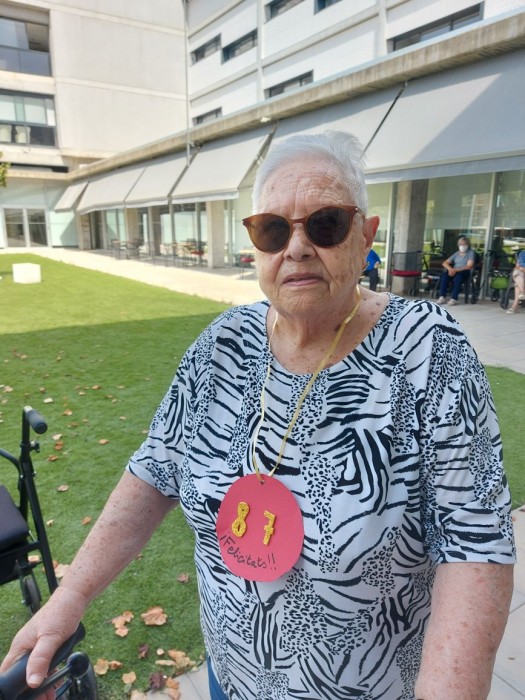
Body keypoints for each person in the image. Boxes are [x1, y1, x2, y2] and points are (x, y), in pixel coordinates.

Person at [0, 131, 515, 700]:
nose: (296, 248)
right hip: (232, 678)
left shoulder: (429, 350)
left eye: (325, 224)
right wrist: (69, 598)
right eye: (273, 229)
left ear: (366, 235)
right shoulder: (224, 343)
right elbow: (154, 468)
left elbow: (475, 546)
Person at [436, 236, 476, 306]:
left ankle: (453, 298)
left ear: (468, 245)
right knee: (444, 277)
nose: (462, 246)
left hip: (464, 271)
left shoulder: (471, 253)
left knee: (458, 278)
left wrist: (455, 270)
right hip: (454, 270)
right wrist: (450, 269)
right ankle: (442, 297)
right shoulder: (456, 253)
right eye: (460, 244)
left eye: (464, 244)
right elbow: (445, 263)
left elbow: (469, 266)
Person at [506, 248, 525, 314]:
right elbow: (519, 265)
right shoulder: (523, 253)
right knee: (517, 272)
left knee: (518, 283)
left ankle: (515, 306)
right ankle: (523, 293)